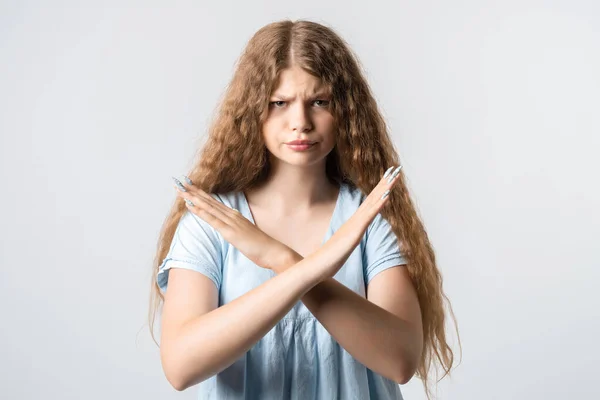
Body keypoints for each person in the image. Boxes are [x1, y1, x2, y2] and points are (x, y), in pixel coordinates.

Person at [148, 19, 460, 400]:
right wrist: (313, 266)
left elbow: (400, 360)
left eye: (319, 102)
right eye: (279, 103)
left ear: (345, 110)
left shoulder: (370, 217)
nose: (300, 123)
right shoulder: (213, 221)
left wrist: (278, 257)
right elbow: (180, 366)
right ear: (252, 111)